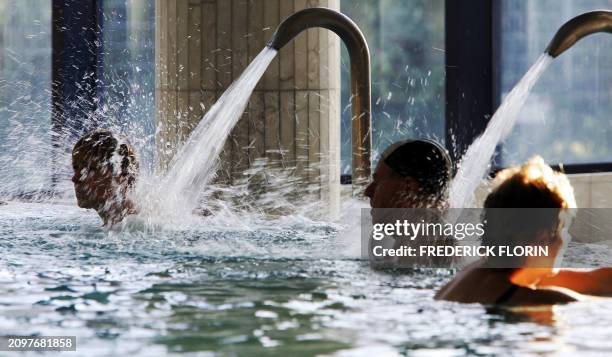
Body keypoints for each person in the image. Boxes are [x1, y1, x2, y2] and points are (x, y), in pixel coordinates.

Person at [435, 156, 582, 304]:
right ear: (541, 238)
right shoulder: (542, 301)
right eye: (563, 230)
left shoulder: (469, 275)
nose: (567, 239)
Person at [364, 139, 454, 268]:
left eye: (377, 182)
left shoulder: (417, 250)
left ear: (408, 189)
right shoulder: (430, 237)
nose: (368, 191)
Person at [71, 129, 139, 226]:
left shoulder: (141, 228)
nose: (75, 178)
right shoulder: (122, 228)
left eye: (90, 169)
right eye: (75, 168)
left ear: (120, 175)